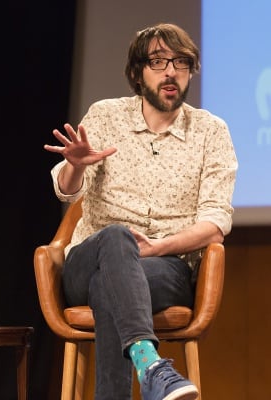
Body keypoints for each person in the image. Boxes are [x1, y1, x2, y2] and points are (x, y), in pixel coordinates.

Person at [44, 23, 237, 400]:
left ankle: (146, 364)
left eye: (181, 62)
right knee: (116, 237)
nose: (171, 71)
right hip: (88, 259)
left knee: (110, 286)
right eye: (158, 61)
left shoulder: (210, 131)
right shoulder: (105, 116)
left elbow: (215, 224)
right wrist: (77, 165)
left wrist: (154, 248)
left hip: (165, 267)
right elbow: (67, 191)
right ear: (137, 72)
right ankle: (153, 368)